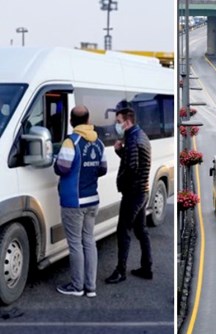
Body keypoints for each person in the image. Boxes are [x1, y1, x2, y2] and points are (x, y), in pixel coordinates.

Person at [54, 105, 107, 297]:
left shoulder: (71, 142)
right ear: (88, 119)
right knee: (89, 241)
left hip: (73, 202)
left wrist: (56, 161)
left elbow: (62, 168)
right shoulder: (99, 143)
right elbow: (102, 169)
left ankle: (77, 287)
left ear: (71, 121)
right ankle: (90, 287)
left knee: (75, 244)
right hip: (92, 199)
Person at [105, 106, 153, 284]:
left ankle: (120, 271)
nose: (116, 125)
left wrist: (123, 183)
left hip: (133, 193)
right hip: (143, 190)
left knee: (123, 230)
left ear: (127, 121)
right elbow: (134, 160)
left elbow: (132, 166)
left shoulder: (133, 138)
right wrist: (120, 150)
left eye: (118, 122)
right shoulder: (141, 135)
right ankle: (146, 267)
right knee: (141, 230)